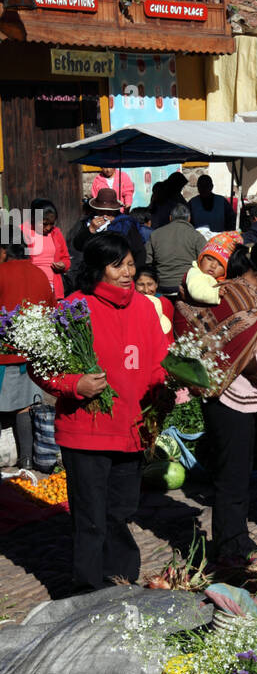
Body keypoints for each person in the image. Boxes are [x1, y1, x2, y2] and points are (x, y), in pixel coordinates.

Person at [31, 234, 166, 592]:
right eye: (117, 265)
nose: (127, 272)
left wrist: (166, 390)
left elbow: (158, 362)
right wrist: (76, 385)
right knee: (90, 518)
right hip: (85, 432)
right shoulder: (72, 308)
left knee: (120, 512)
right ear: (97, 269)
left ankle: (121, 580)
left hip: (132, 428)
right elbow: (40, 366)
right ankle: (88, 590)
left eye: (130, 263)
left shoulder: (146, 308)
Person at [175, 236, 257, 573]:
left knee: (235, 475)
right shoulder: (249, 302)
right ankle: (230, 546)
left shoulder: (233, 290)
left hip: (225, 397)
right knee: (233, 479)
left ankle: (235, 538)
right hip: (233, 401)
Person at [0, 241, 55, 470]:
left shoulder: (2, 273)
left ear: (3, 251)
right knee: (24, 406)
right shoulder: (39, 274)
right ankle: (27, 460)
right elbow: (51, 310)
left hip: (4, 355)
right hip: (32, 353)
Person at [146, 201, 206, 299]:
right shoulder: (197, 236)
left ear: (170, 218)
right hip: (187, 286)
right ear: (189, 218)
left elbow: (147, 262)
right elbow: (204, 262)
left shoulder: (155, 234)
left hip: (162, 287)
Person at [67, 189, 123, 288]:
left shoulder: (125, 224)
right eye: (101, 211)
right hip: (89, 274)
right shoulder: (85, 223)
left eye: (109, 212)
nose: (105, 215)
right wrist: (90, 230)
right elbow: (77, 245)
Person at [179, 231, 243, 307]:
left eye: (220, 264)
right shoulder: (196, 274)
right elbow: (196, 291)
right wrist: (215, 293)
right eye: (209, 259)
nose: (213, 266)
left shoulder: (218, 279)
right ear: (201, 258)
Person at [23, 199, 70, 298]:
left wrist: (63, 265)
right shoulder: (22, 232)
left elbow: (66, 258)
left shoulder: (56, 233)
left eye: (51, 224)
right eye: (44, 224)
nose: (48, 228)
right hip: (30, 285)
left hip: (53, 287)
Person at [134, 266, 173, 336]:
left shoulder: (164, 303)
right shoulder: (131, 303)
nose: (146, 290)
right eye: (141, 284)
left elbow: (168, 334)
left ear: (156, 284)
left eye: (150, 284)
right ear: (134, 285)